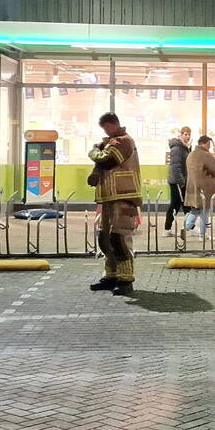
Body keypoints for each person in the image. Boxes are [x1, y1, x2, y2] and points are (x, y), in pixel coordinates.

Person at [87, 112, 141, 296]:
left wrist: (93, 151)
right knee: (105, 237)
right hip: (109, 197)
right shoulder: (110, 142)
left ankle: (125, 278)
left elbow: (108, 160)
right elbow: (102, 161)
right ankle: (111, 275)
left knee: (119, 238)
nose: (105, 131)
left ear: (112, 124)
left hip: (124, 195)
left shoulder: (124, 141)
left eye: (106, 128)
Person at [184, 136, 215, 238]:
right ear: (204, 143)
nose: (209, 146)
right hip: (205, 188)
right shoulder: (206, 155)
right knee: (205, 210)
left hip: (193, 187)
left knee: (195, 210)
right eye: (209, 144)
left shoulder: (191, 154)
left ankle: (186, 226)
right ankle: (203, 234)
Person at [164, 126, 192, 236]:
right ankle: (189, 228)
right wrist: (182, 183)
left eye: (189, 134)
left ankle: (169, 229)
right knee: (182, 204)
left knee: (178, 204)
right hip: (177, 182)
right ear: (180, 135)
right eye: (185, 134)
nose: (188, 136)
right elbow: (175, 167)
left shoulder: (184, 147)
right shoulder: (177, 148)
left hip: (180, 180)